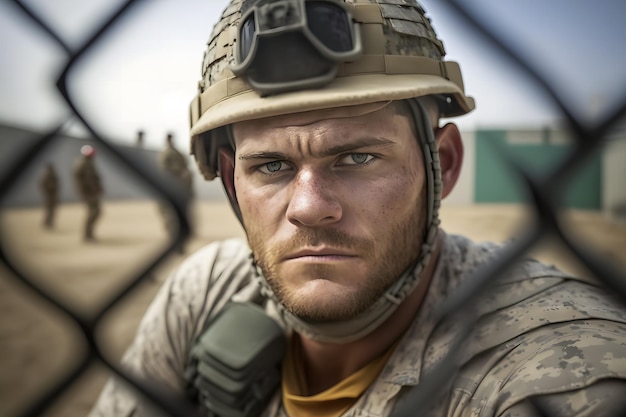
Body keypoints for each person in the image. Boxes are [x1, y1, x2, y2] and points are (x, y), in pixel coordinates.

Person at [88, 1, 626, 416]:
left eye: (357, 157)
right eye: (271, 167)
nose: (309, 208)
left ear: (443, 164)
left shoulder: (556, 360)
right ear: (231, 182)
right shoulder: (208, 291)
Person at [157, 132, 194, 252]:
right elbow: (163, 171)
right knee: (170, 216)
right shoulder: (167, 154)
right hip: (170, 190)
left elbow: (185, 170)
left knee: (175, 216)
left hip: (179, 190)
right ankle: (175, 240)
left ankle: (177, 241)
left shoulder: (176, 154)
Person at [73, 144, 103, 241]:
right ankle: (87, 234)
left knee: (94, 211)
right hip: (89, 192)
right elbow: (89, 180)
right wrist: (97, 189)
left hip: (88, 192)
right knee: (95, 211)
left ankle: (88, 234)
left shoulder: (84, 163)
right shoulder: (86, 164)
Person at [39, 162, 59, 229]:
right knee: (49, 209)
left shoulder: (53, 174)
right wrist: (46, 192)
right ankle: (47, 222)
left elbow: (57, 184)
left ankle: (49, 222)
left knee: (51, 209)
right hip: (49, 194)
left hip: (52, 194)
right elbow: (42, 185)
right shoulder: (46, 175)